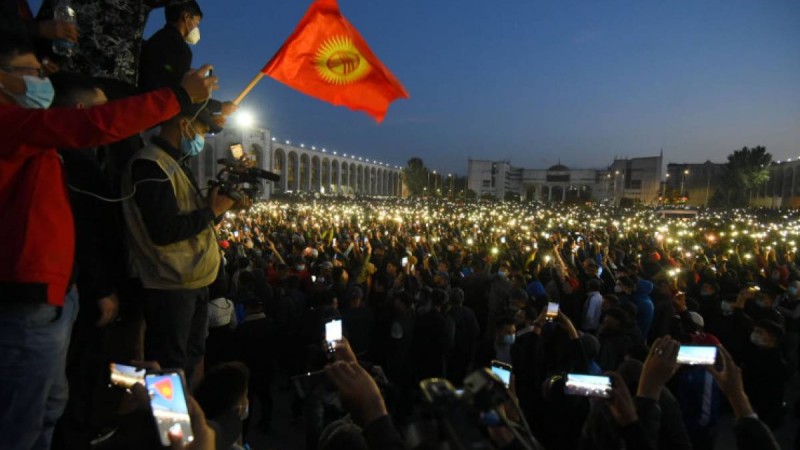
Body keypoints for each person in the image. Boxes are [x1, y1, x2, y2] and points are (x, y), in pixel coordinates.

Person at [0, 32, 215, 450]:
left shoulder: (55, 152)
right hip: (157, 287)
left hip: (72, 293)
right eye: (32, 72)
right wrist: (177, 94)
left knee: (53, 403)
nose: (42, 76)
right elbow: (160, 229)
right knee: (28, 421)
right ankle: (178, 441)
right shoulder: (147, 165)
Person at [121, 101, 240, 383]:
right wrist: (212, 210)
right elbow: (163, 230)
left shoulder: (174, 162)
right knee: (167, 366)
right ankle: (166, 425)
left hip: (192, 280)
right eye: (201, 129)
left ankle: (184, 416)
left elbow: (194, 221)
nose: (203, 137)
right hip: (169, 284)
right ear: (183, 124)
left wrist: (217, 209)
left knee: (191, 356)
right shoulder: (150, 164)